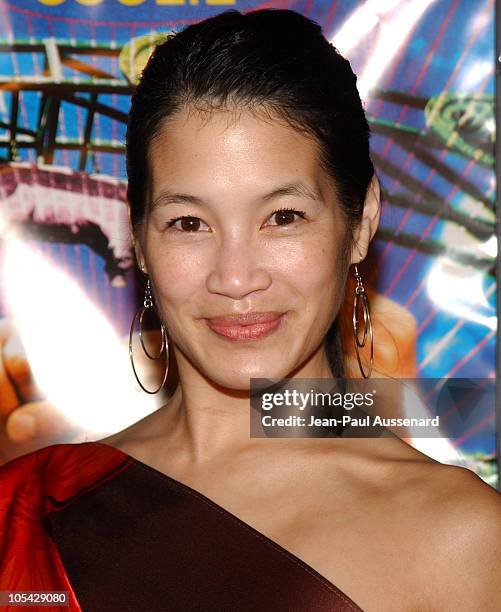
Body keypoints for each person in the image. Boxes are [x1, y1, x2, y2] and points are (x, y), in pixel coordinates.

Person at [1, 8, 500, 612]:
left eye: (282, 217)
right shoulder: (22, 515)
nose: (235, 277)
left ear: (361, 220)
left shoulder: (466, 539)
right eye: (189, 223)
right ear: (138, 237)